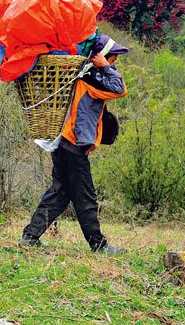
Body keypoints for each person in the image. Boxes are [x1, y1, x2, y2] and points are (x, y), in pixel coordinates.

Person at [19, 34, 128, 254]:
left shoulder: (82, 74)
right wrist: (106, 67)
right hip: (74, 145)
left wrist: (103, 67)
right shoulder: (89, 76)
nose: (114, 61)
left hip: (63, 143)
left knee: (60, 193)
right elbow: (119, 89)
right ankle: (98, 245)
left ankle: (30, 236)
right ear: (99, 55)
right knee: (86, 197)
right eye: (112, 56)